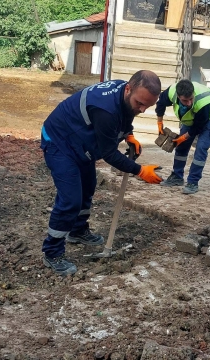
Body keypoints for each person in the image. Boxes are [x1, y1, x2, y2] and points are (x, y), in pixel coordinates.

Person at [40, 70, 163, 276]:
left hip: (80, 145)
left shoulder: (124, 96)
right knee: (70, 199)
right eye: (139, 103)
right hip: (59, 142)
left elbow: (124, 116)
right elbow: (110, 155)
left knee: (88, 186)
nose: (142, 109)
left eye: (147, 106)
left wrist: (129, 135)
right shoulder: (105, 109)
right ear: (128, 89)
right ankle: (52, 253)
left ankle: (77, 231)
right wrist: (140, 171)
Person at [155, 79, 210, 194]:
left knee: (201, 147)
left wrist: (183, 137)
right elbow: (160, 103)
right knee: (181, 146)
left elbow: (198, 126)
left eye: (191, 99)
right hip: (190, 118)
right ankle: (177, 176)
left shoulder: (203, 101)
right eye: (185, 100)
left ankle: (193, 182)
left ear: (193, 93)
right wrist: (160, 124)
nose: (189, 103)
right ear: (178, 96)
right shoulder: (171, 92)